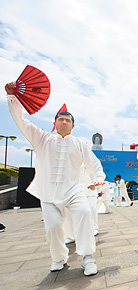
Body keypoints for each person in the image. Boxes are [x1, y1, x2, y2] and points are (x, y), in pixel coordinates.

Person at [5, 81, 104, 275]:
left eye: (68, 120)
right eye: (61, 120)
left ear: (73, 125)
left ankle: (88, 257)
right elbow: (22, 121)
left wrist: (97, 181)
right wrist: (11, 97)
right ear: (55, 123)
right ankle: (59, 257)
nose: (64, 122)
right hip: (48, 192)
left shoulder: (80, 144)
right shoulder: (42, 139)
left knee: (84, 214)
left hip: (73, 190)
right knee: (52, 226)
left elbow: (96, 166)